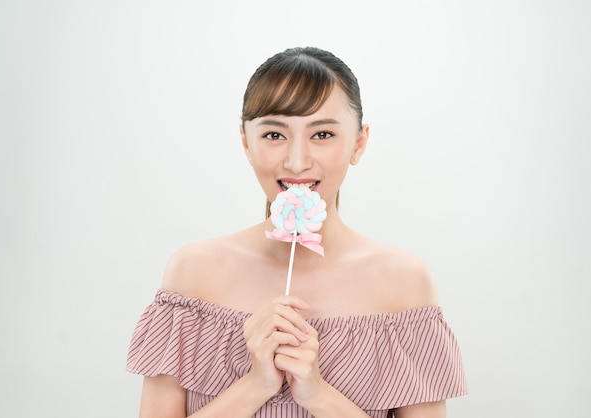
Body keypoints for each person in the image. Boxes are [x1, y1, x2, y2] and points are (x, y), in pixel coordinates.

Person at [127, 46, 467, 417]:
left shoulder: (404, 283)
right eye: (274, 135)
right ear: (246, 143)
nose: (297, 161)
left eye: (322, 134)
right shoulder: (193, 273)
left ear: (359, 143)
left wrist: (319, 395)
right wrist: (256, 385)